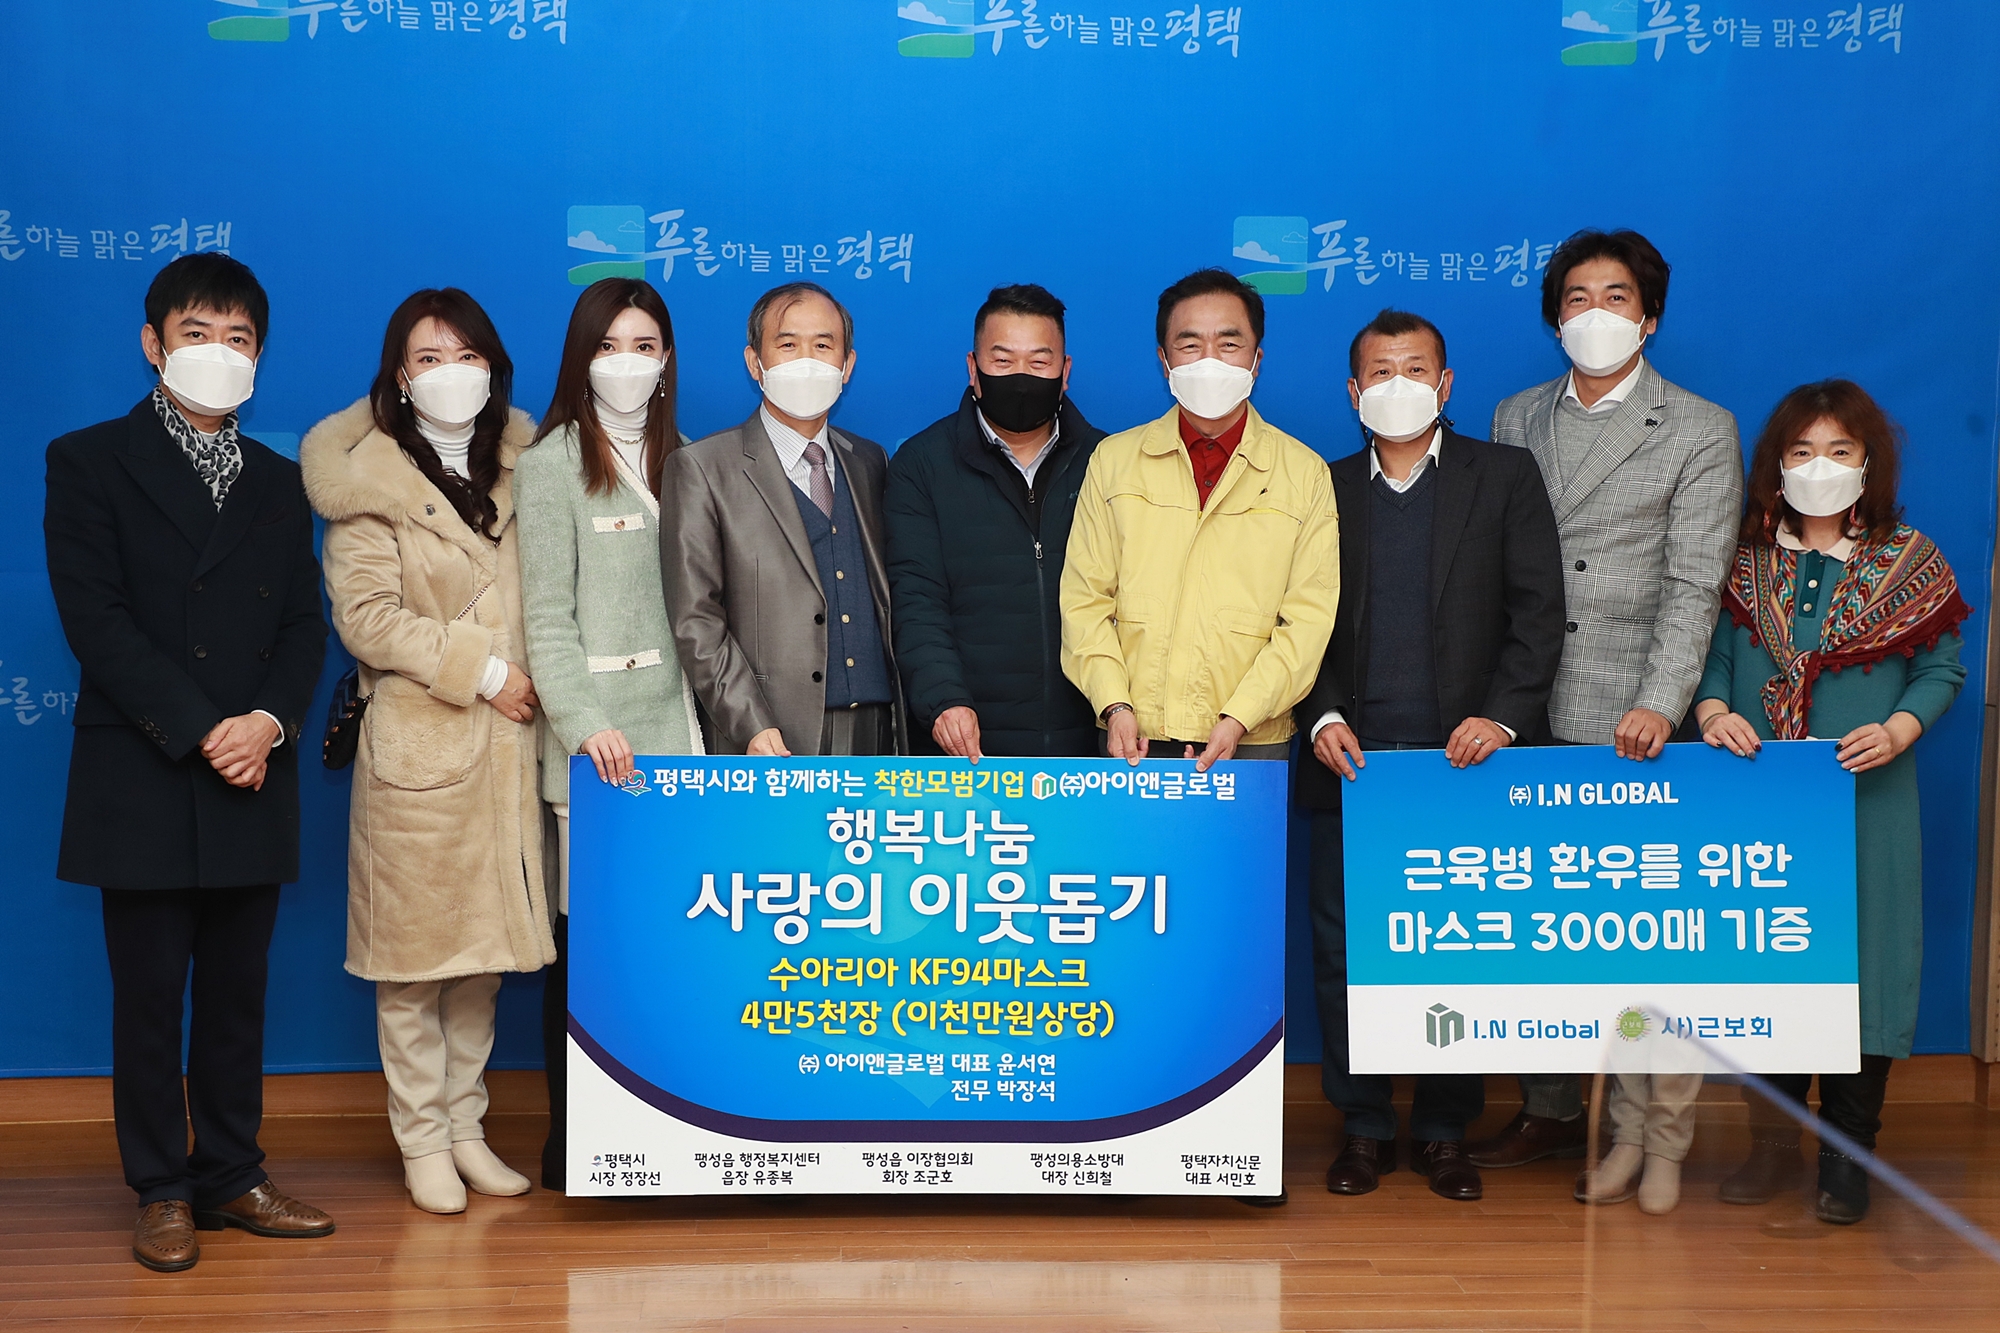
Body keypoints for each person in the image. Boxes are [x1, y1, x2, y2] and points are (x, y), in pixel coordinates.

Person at [43, 253, 333, 1271]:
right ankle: (161, 1188)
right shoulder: (87, 460)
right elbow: (96, 619)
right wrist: (206, 727)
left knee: (238, 997)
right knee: (150, 997)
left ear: (260, 355)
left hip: (255, 766)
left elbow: (303, 626)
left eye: (238, 338)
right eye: (197, 334)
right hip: (148, 766)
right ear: (152, 343)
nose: (219, 352)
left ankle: (233, 1175)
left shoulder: (280, 481)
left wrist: (269, 723)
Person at [1474, 228, 1742, 1172]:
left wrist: (1662, 701)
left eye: (1616, 297)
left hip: (1624, 709)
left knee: (1626, 925)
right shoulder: (1515, 413)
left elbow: (1695, 582)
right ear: (1555, 319)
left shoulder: (1700, 426)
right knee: (1537, 916)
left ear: (1650, 316)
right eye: (1577, 298)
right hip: (1519, 699)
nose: (1596, 314)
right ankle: (1548, 1108)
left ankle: (1634, 1128)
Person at [1298, 310, 1565, 1204]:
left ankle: (1446, 1128)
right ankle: (1365, 1126)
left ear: (1446, 384)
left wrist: (1504, 718)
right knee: (1347, 952)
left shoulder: (1504, 476)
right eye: (1380, 371)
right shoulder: (1321, 487)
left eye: (1415, 368)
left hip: (1466, 764)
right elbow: (1292, 619)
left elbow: (1538, 612)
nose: (1398, 384)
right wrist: (1321, 713)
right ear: (1353, 391)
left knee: (1459, 946)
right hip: (1354, 764)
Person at [302, 288, 557, 1215]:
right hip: (422, 746)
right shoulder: (369, 479)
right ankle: (421, 1138)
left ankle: (466, 1128)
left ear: (493, 369)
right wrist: (483, 670)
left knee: (481, 957)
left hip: (510, 754)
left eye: (468, 355)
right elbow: (366, 618)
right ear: (401, 377)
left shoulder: (529, 467)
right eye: (430, 357)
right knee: (414, 965)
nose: (452, 372)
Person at [1694, 380, 1967, 1225]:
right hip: (1763, 802)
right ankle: (1772, 1143)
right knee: (1771, 964)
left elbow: (1942, 668)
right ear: (1777, 466)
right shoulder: (1745, 562)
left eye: (1840, 452)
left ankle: (1848, 1153)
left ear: (1868, 465)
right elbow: (1712, 660)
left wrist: (1898, 728)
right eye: (1803, 451)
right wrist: (1712, 710)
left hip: (1868, 799)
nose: (1821, 467)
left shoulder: (1911, 560)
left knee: (1865, 967)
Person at [516, 278, 704, 1192]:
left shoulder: (692, 457)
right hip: (601, 754)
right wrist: (586, 727)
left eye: (644, 344)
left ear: (667, 359)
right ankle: (577, 1146)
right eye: (607, 344)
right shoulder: (550, 462)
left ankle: (671, 1137)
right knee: (592, 948)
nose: (626, 362)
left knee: (673, 945)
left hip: (686, 740)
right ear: (579, 357)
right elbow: (546, 619)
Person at [1061, 268, 1338, 772]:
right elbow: (1084, 601)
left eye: (1228, 344)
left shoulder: (1305, 474)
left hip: (1252, 740)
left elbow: (1308, 621)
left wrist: (1240, 716)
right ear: (1164, 361)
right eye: (1190, 345)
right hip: (1133, 739)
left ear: (1256, 360)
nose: (1210, 359)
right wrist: (1114, 705)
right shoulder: (1114, 461)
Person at [661, 281, 904, 756]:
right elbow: (696, 619)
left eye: (823, 346)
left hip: (874, 731)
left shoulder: (869, 461)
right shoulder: (703, 468)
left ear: (847, 365)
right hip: (770, 737)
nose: (806, 360)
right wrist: (749, 722)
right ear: (755, 362)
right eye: (788, 344)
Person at [886, 283, 1107, 760]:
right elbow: (916, 599)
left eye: (1039, 362)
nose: (1021, 378)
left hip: (1092, 747)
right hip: (966, 749)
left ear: (1065, 372)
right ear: (974, 369)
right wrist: (944, 699)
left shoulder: (1108, 463)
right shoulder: (921, 465)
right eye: (1003, 361)